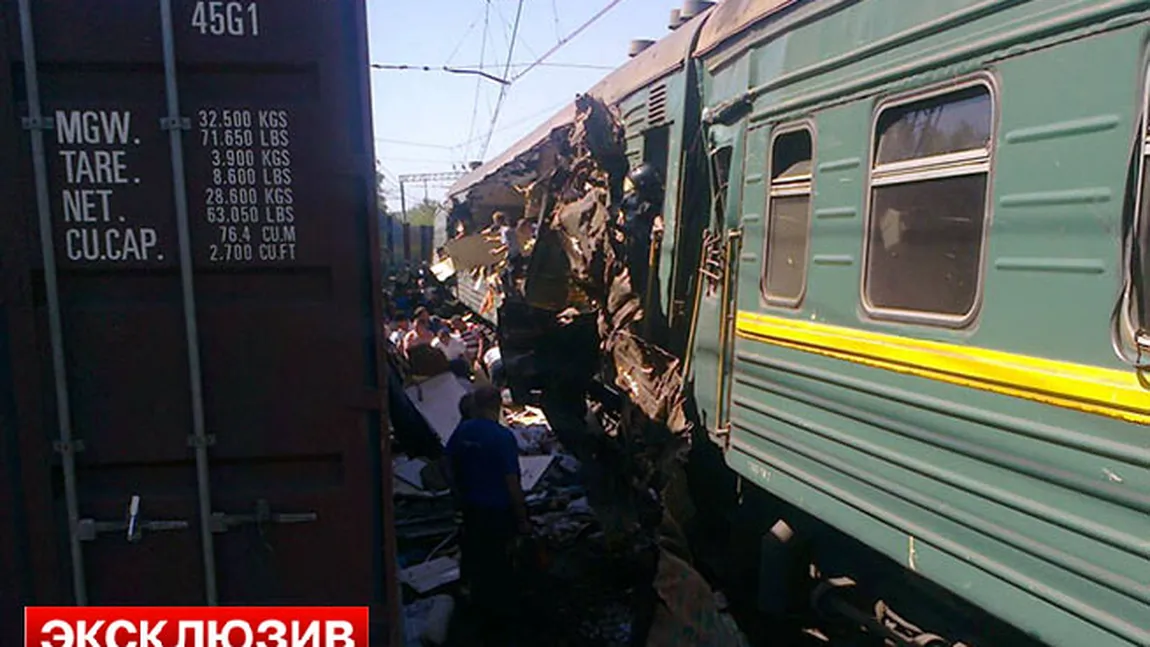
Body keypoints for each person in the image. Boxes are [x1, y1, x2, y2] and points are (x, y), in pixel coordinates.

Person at [443, 386, 529, 645]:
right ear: (497, 406)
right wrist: (523, 519)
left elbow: (446, 465)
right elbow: (512, 482)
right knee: (500, 565)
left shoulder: (462, 432)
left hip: (471, 510)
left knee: (475, 558)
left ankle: (474, 608)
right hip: (498, 512)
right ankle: (500, 623)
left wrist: (458, 492)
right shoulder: (502, 437)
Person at [621, 162, 665, 301]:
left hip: (639, 256)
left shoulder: (642, 206)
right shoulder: (637, 205)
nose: (629, 193)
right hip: (636, 255)